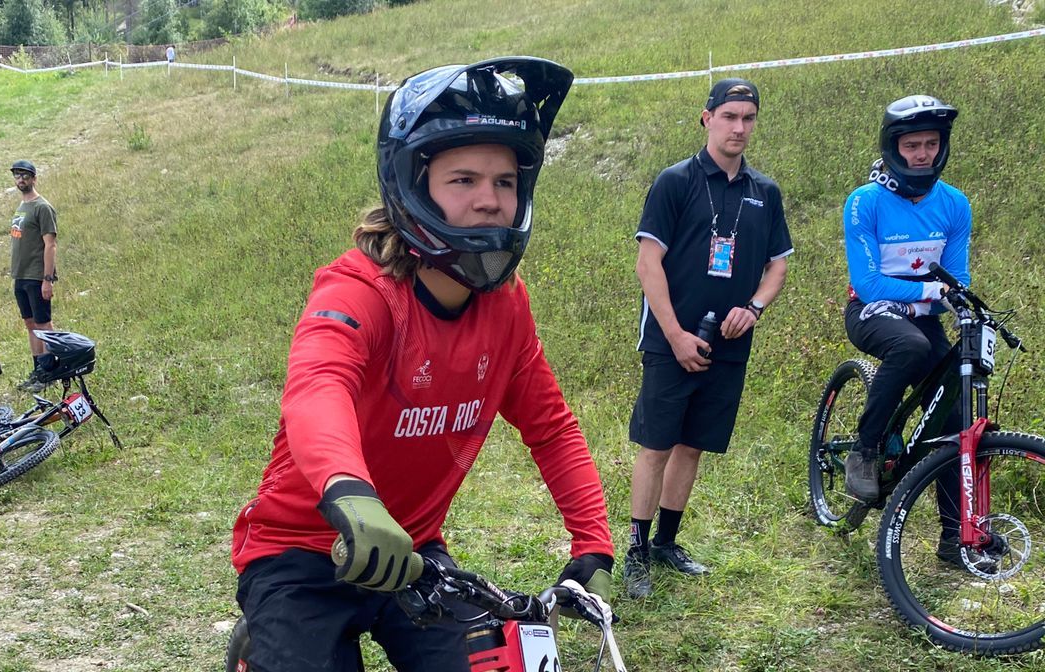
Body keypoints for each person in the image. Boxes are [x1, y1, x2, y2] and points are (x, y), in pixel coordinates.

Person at [230, 57, 614, 671]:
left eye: (505, 182)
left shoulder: (506, 306)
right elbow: (317, 387)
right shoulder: (360, 291)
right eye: (462, 180)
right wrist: (349, 493)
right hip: (302, 550)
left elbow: (550, 425)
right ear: (414, 185)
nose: (490, 201)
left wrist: (592, 538)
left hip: (411, 551)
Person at [624, 78, 792, 599]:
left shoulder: (764, 192)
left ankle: (667, 544)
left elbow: (777, 266)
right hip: (670, 339)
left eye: (748, 118)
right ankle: (636, 549)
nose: (739, 127)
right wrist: (673, 334)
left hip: (727, 344)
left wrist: (754, 308)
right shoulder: (675, 181)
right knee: (656, 446)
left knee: (693, 446)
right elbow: (648, 263)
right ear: (707, 118)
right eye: (729, 116)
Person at [841, 95, 979, 570]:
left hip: (923, 315)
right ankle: (864, 451)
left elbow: (955, 279)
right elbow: (868, 282)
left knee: (956, 415)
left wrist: (953, 299)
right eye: (911, 145)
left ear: (941, 148)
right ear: (893, 148)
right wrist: (931, 290)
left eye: (930, 144)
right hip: (870, 310)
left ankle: (953, 535)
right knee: (911, 346)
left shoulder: (955, 204)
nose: (920, 154)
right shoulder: (865, 202)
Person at [8, 159, 59, 392]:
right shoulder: (21, 207)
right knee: (30, 324)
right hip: (20, 275)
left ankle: (49, 371)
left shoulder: (42, 207)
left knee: (43, 323)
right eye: (17, 176)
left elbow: (50, 245)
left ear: (34, 178)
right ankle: (37, 368)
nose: (21, 180)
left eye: (25, 176)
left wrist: (48, 279)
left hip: (37, 276)